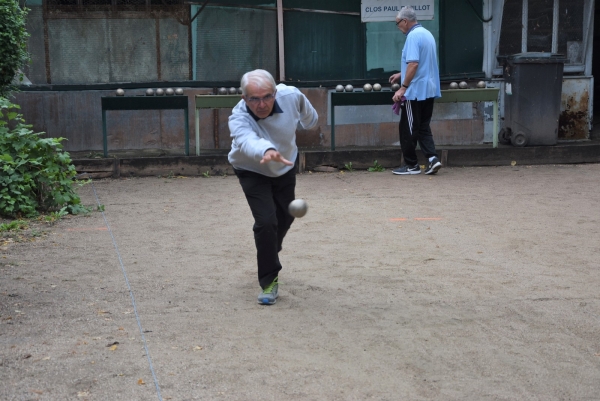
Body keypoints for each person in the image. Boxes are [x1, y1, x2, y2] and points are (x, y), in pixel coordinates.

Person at [228, 69, 318, 305]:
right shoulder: (238, 117)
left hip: (285, 166)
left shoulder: (290, 95)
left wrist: (309, 122)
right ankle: (269, 281)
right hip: (252, 169)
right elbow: (247, 140)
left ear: (275, 93)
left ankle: (269, 248)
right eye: (254, 99)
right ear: (243, 98)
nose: (261, 104)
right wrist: (267, 150)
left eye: (267, 97)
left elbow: (308, 115)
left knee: (285, 218)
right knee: (266, 222)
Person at [389, 7, 442, 175]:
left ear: (405, 21)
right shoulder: (427, 34)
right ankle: (433, 159)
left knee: (408, 128)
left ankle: (412, 165)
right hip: (429, 88)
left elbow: (413, 64)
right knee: (423, 127)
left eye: (398, 23)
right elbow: (420, 62)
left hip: (415, 91)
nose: (398, 27)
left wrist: (403, 87)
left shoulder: (412, 37)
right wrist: (401, 73)